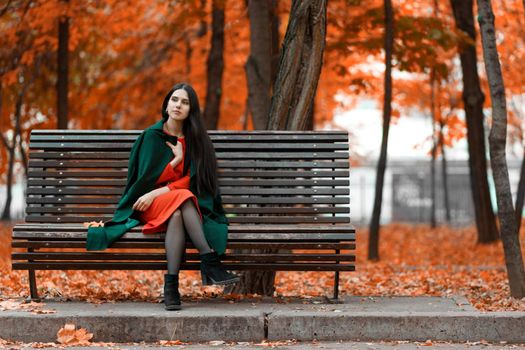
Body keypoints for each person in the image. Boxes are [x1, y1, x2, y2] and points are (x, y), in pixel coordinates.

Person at [86, 82, 239, 311]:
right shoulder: (151, 137)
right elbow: (144, 181)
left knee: (179, 210)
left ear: (191, 110)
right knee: (183, 197)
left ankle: (171, 288)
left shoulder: (197, 141)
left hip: (182, 206)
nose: (178, 105)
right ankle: (209, 261)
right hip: (147, 203)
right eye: (175, 100)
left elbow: (196, 182)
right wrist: (171, 169)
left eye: (185, 102)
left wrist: (173, 174)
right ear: (167, 104)